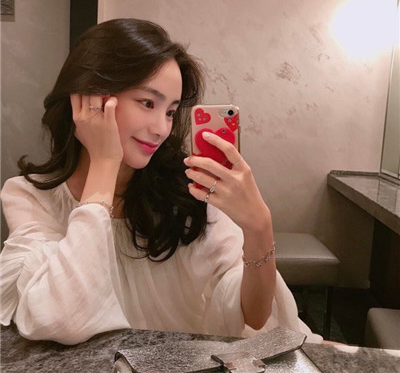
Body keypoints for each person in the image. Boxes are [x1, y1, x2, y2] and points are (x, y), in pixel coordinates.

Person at [0, 18, 322, 345]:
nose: (161, 129)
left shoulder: (187, 191)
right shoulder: (29, 197)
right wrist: (105, 163)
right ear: (91, 99)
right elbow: (61, 318)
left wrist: (259, 228)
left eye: (170, 112)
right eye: (147, 103)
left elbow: (253, 315)